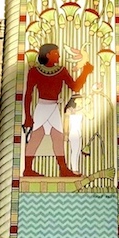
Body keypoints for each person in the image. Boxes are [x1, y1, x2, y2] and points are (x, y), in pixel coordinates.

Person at [23, 42, 93, 177]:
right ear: (47, 55)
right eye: (56, 53)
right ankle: (27, 169)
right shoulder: (35, 71)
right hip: (42, 107)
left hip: (53, 107)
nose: (59, 56)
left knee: (57, 138)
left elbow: (75, 87)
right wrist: (28, 116)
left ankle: (63, 169)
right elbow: (28, 94)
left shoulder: (61, 70)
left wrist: (85, 72)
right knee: (36, 137)